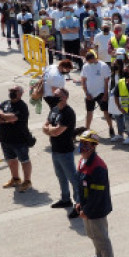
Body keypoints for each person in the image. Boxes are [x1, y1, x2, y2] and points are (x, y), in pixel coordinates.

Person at [74, 131, 116, 257]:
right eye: (81, 143)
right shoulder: (82, 161)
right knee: (92, 235)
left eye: (86, 144)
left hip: (96, 209)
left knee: (102, 238)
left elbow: (97, 194)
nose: (82, 146)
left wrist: (87, 210)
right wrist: (79, 202)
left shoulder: (97, 166)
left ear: (93, 146)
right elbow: (80, 185)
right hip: (86, 207)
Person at [45, 88, 80, 217]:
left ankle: (79, 205)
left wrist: (50, 129)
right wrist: (50, 129)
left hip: (65, 151)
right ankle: (65, 199)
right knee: (60, 176)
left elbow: (57, 131)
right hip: (55, 149)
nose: (54, 97)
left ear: (65, 97)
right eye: (54, 94)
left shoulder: (68, 113)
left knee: (73, 179)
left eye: (57, 95)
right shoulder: (54, 109)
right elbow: (45, 126)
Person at [0, 85, 33, 193]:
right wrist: (5, 118)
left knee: (24, 160)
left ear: (20, 93)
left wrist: (1, 115)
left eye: (14, 91)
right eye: (10, 90)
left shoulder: (22, 106)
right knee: (11, 160)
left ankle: (27, 181)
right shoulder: (5, 103)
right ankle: (15, 179)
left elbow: (13, 118)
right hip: (5, 139)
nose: (12, 92)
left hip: (19, 140)